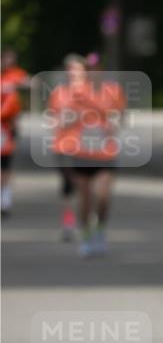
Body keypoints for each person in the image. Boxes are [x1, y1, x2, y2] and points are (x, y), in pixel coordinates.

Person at [48, 54, 125, 257]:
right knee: (85, 196)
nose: (92, 72)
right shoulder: (68, 92)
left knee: (103, 195)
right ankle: (86, 235)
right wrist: (72, 118)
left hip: (104, 151)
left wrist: (112, 123)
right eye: (88, 69)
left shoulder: (112, 90)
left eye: (95, 68)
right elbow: (58, 121)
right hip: (80, 151)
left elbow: (119, 116)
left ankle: (100, 231)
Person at [1, 50, 30, 216]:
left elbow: (31, 83)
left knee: (6, 163)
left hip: (8, 124)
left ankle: (5, 198)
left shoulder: (16, 74)